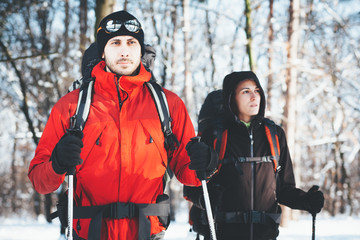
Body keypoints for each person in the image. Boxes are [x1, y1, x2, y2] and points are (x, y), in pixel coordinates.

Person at [28, 10, 217, 240]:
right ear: (103, 51)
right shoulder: (71, 107)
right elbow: (40, 181)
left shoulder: (168, 105)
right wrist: (56, 163)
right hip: (90, 233)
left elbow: (191, 175)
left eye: (131, 42)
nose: (124, 50)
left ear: (140, 49)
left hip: (147, 232)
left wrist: (207, 162)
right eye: (115, 43)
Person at [184, 71, 325, 240]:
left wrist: (306, 201)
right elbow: (191, 187)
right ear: (231, 97)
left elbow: (283, 189)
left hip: (266, 235)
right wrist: (208, 200)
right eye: (246, 91)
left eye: (257, 90)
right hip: (223, 234)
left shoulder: (274, 134)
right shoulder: (215, 135)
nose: (254, 96)